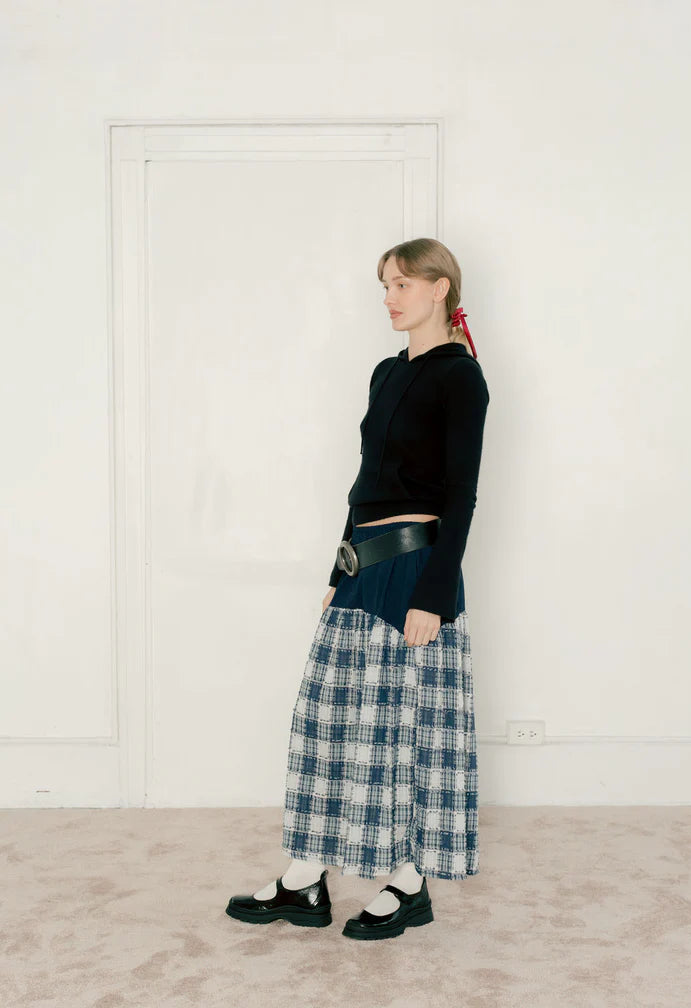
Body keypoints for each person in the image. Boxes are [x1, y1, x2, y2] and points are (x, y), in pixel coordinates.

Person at [226, 237, 490, 941]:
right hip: (362, 567)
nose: (390, 298)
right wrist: (337, 571)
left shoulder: (461, 378)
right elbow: (366, 478)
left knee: (399, 731)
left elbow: (461, 495)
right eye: (385, 286)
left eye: (401, 284)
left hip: (414, 570)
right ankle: (305, 879)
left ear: (439, 288)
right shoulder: (385, 372)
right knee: (328, 722)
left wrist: (434, 594)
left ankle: (408, 882)